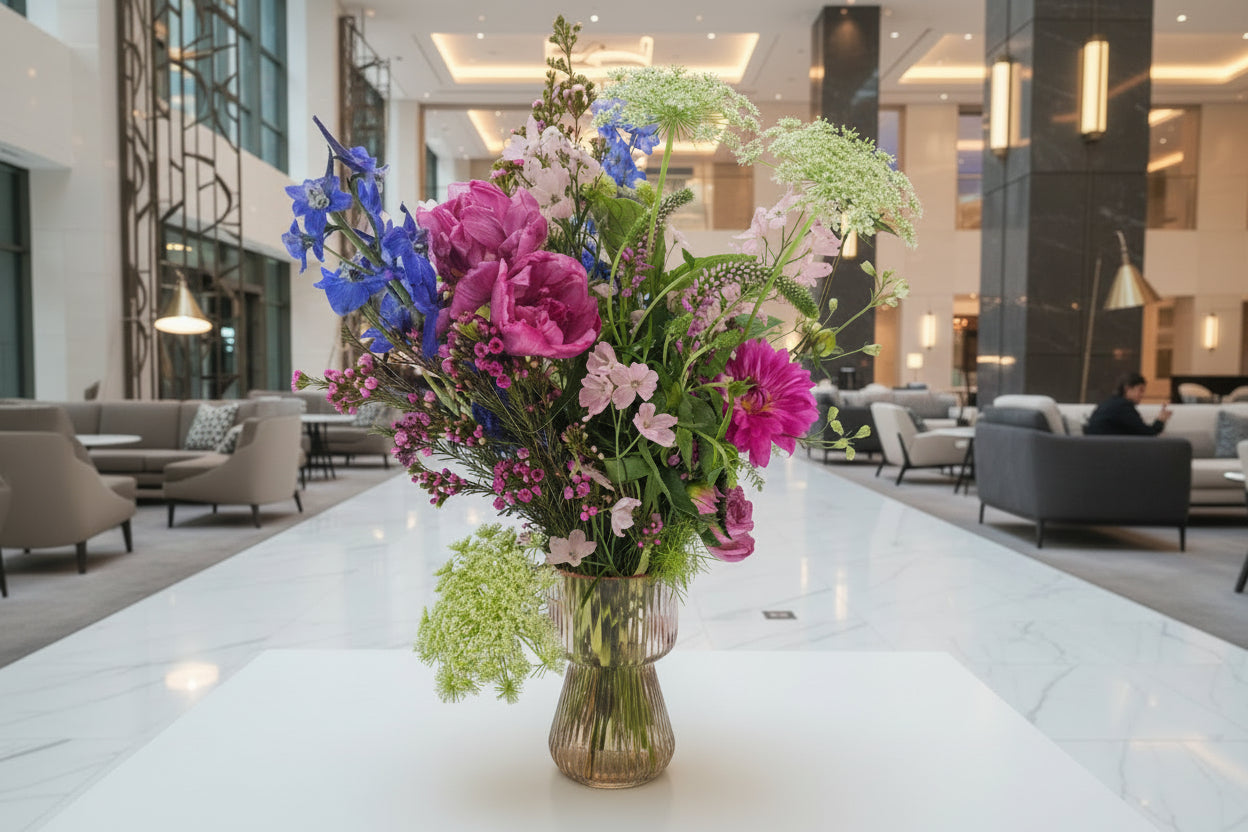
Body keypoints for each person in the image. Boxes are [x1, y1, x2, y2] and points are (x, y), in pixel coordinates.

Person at [1084, 372, 1172, 436]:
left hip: (1098, 449)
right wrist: (1160, 420)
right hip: (1110, 451)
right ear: (1127, 389)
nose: (1142, 395)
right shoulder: (1123, 407)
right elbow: (1148, 434)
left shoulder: (1109, 403)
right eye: (1140, 390)